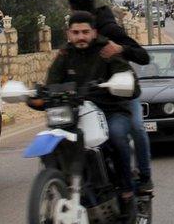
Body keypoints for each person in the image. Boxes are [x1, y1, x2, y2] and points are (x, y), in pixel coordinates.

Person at [44, 11, 140, 200]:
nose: (80, 36)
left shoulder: (107, 51)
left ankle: (126, 189)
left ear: (94, 32)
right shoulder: (64, 54)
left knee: (117, 136)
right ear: (68, 34)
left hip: (111, 110)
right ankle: (55, 187)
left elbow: (132, 86)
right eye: (76, 32)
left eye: (85, 32)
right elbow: (51, 83)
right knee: (53, 141)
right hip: (74, 113)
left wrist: (117, 85)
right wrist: (39, 96)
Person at [67, 0, 154, 192]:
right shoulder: (73, 40)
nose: (80, 35)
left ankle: (144, 176)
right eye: (75, 32)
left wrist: (120, 49)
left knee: (136, 127)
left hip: (122, 91)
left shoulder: (109, 29)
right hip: (90, 97)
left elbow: (143, 57)